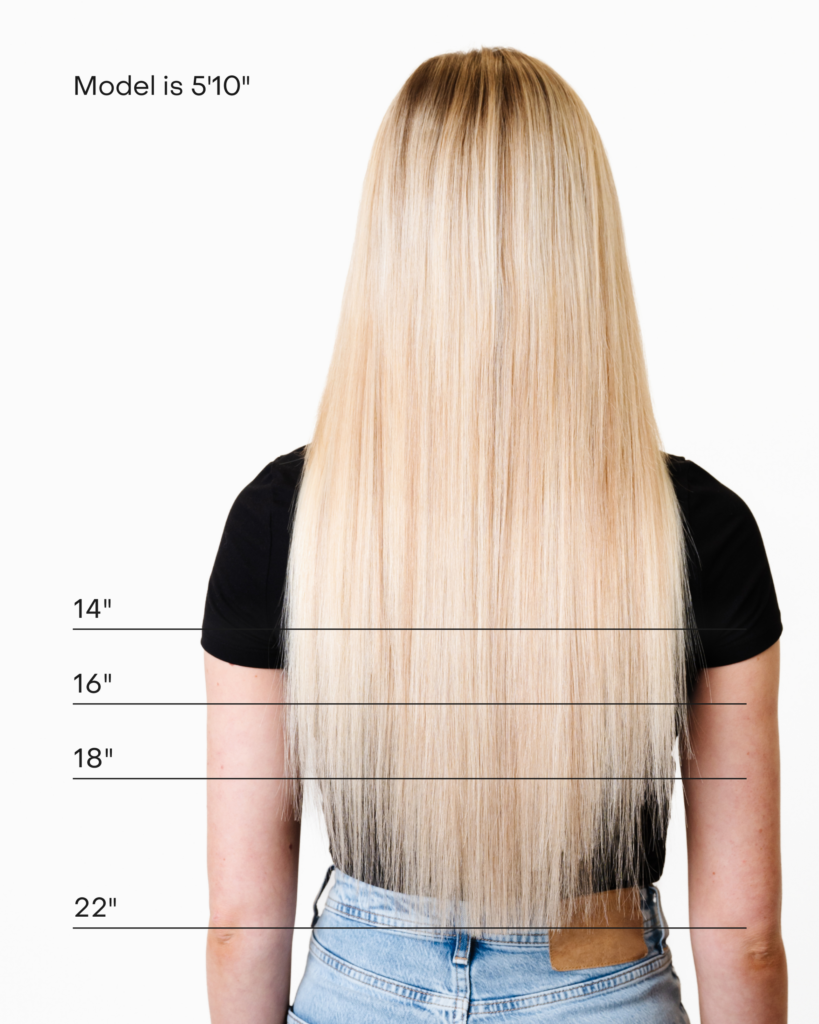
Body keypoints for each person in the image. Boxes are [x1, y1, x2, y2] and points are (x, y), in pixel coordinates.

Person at [201, 47, 787, 1024]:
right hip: (602, 976)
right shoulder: (699, 528)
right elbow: (747, 938)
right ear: (583, 240)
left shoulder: (282, 521)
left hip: (362, 988)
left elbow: (238, 923)